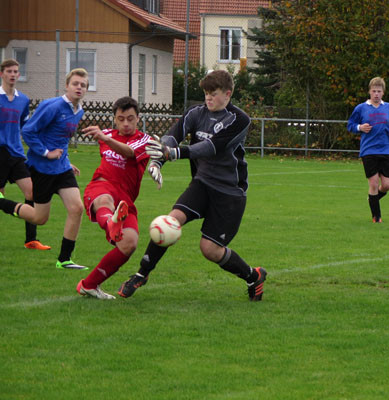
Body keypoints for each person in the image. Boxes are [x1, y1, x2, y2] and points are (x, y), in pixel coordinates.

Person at [118, 69, 267, 301]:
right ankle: (141, 274)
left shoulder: (239, 120)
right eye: (206, 93)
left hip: (229, 194)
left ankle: (253, 276)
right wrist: (158, 160)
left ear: (228, 94)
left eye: (214, 93)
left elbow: (211, 147)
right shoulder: (196, 113)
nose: (208, 98)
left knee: (210, 249)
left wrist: (173, 154)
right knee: (170, 221)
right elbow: (171, 137)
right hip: (202, 184)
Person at [0, 68, 89, 269]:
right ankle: (2, 203)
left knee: (77, 208)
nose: (79, 88)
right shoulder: (52, 106)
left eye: (83, 85)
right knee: (40, 218)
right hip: (41, 169)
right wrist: (46, 152)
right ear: (67, 86)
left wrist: (66, 162)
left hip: (62, 169)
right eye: (75, 84)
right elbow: (28, 131)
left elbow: (61, 141)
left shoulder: (79, 110)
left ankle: (65, 259)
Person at [76, 96, 161, 299]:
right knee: (105, 200)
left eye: (130, 118)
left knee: (129, 243)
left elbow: (130, 152)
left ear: (138, 118)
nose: (125, 123)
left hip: (126, 200)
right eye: (121, 118)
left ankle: (89, 285)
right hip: (102, 185)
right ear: (114, 118)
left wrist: (105, 139)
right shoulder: (106, 134)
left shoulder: (145, 140)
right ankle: (111, 223)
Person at [0, 59, 51, 250]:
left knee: (32, 192)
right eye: (9, 71)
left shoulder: (23, 100)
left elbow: (26, 128)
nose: (13, 74)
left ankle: (31, 240)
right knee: (0, 197)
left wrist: (42, 148)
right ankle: (12, 209)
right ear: (2, 74)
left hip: (16, 153)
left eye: (16, 71)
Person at [347, 76, 389, 223]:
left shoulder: (388, 107)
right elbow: (350, 125)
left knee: (386, 185)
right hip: (369, 150)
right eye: (374, 91)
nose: (376, 94)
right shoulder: (361, 108)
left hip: (386, 149)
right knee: (373, 183)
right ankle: (376, 218)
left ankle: (372, 199)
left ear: (383, 93)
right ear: (369, 92)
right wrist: (360, 127)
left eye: (379, 91)